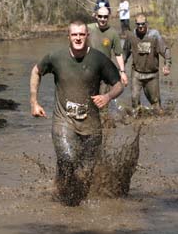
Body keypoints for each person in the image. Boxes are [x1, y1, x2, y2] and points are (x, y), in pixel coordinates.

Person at [30, 19, 124, 206]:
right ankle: (65, 202)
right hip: (64, 120)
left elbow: (119, 85)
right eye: (74, 34)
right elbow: (36, 71)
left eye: (82, 34)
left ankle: (76, 201)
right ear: (69, 36)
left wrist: (107, 97)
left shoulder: (98, 59)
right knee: (68, 159)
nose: (78, 38)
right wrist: (34, 102)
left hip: (91, 124)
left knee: (86, 171)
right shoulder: (56, 57)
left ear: (87, 36)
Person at [123, 13, 172, 115]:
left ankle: (158, 125)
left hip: (152, 75)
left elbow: (165, 50)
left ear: (147, 24)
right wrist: (121, 70)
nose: (140, 26)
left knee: (156, 105)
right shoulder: (131, 36)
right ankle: (138, 123)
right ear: (135, 24)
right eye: (138, 24)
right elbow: (124, 53)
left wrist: (167, 65)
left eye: (143, 24)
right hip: (136, 74)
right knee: (134, 100)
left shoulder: (154, 35)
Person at [88, 7, 128, 87]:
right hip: (89, 70)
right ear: (96, 16)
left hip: (105, 72)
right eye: (100, 16)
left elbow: (118, 54)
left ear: (108, 17)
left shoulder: (113, 33)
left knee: (104, 97)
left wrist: (122, 72)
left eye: (105, 17)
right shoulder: (88, 29)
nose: (102, 19)